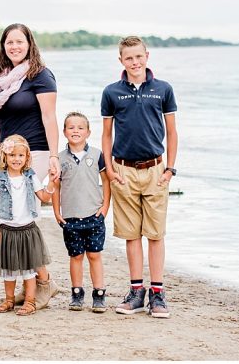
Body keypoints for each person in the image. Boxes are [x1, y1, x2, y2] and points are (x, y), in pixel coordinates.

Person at [101, 36, 178, 318]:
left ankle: (157, 294)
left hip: (156, 171)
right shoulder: (111, 93)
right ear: (121, 60)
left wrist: (170, 168)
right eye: (128, 58)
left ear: (147, 56)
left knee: (155, 234)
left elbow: (172, 131)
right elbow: (107, 134)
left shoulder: (163, 89)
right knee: (131, 234)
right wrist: (109, 169)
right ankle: (136, 292)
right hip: (123, 171)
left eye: (138, 57)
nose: (134, 63)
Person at [0, 22, 61, 308]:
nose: (14, 47)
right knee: (12, 219)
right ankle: (40, 280)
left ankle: (42, 282)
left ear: (29, 43)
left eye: (19, 41)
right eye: (9, 43)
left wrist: (54, 156)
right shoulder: (1, 77)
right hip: (8, 157)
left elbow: (50, 118)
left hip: (35, 154)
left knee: (25, 219)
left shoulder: (40, 75)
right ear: (3, 47)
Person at [0, 135, 56, 316]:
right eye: (12, 155)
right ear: (5, 157)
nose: (16, 159)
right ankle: (9, 300)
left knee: (28, 269)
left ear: (27, 157)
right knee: (8, 270)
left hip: (27, 230)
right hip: (7, 230)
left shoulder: (30, 177)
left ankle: (30, 301)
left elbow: (44, 197)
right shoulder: (0, 178)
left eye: (20, 155)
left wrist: (51, 182)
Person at [51, 111, 111, 313]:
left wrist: (104, 208)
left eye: (80, 127)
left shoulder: (97, 155)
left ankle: (99, 294)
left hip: (94, 215)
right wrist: (57, 211)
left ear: (88, 132)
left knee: (94, 255)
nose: (75, 131)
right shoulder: (59, 158)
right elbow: (56, 186)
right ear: (64, 131)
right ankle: (77, 294)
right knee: (75, 256)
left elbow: (106, 182)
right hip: (70, 217)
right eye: (71, 127)